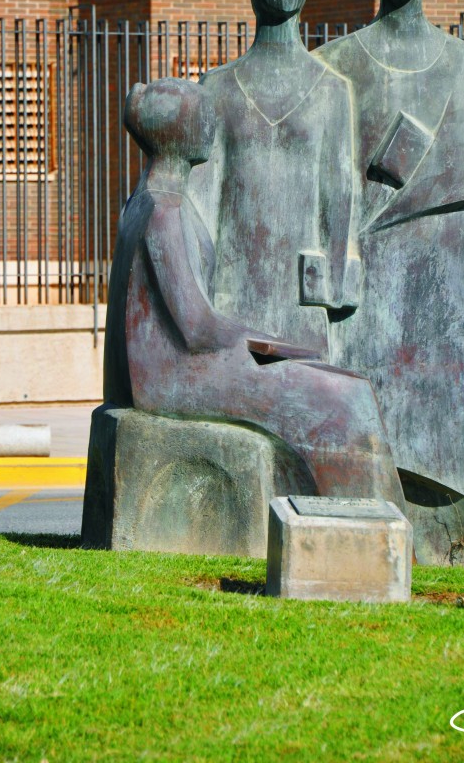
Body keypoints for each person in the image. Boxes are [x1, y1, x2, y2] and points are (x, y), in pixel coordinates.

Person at [103, 76, 405, 507]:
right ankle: (358, 520)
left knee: (342, 383)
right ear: (178, 130)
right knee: (341, 399)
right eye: (203, 119)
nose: (210, 128)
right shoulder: (163, 210)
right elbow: (196, 327)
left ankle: (364, 515)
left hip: (179, 367)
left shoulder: (159, 199)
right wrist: (267, 344)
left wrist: (273, 348)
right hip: (173, 378)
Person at [314, 0, 464, 566]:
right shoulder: (336, 63)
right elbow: (324, 180)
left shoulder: (460, 62)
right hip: (368, 284)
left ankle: (460, 536)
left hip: (440, 284)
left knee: (444, 432)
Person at [189, 0, 360, 360]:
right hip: (234, 291)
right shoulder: (218, 88)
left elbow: (339, 193)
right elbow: (202, 205)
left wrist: (334, 283)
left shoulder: (331, 90)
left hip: (304, 295)